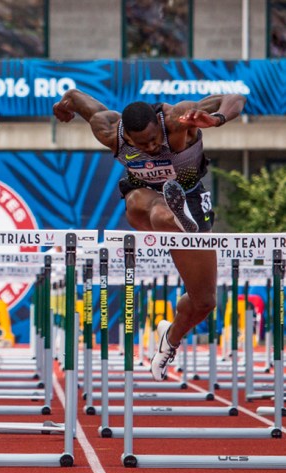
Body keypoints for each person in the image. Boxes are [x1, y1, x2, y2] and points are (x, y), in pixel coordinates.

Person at [52, 88, 246, 380]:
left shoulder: (178, 119)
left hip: (191, 199)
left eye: (156, 139)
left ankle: (170, 338)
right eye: (144, 144)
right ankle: (171, 212)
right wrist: (61, 106)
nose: (154, 147)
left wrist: (216, 119)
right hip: (142, 198)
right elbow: (76, 96)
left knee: (204, 302)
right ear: (127, 137)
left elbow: (233, 97)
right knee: (150, 208)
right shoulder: (108, 130)